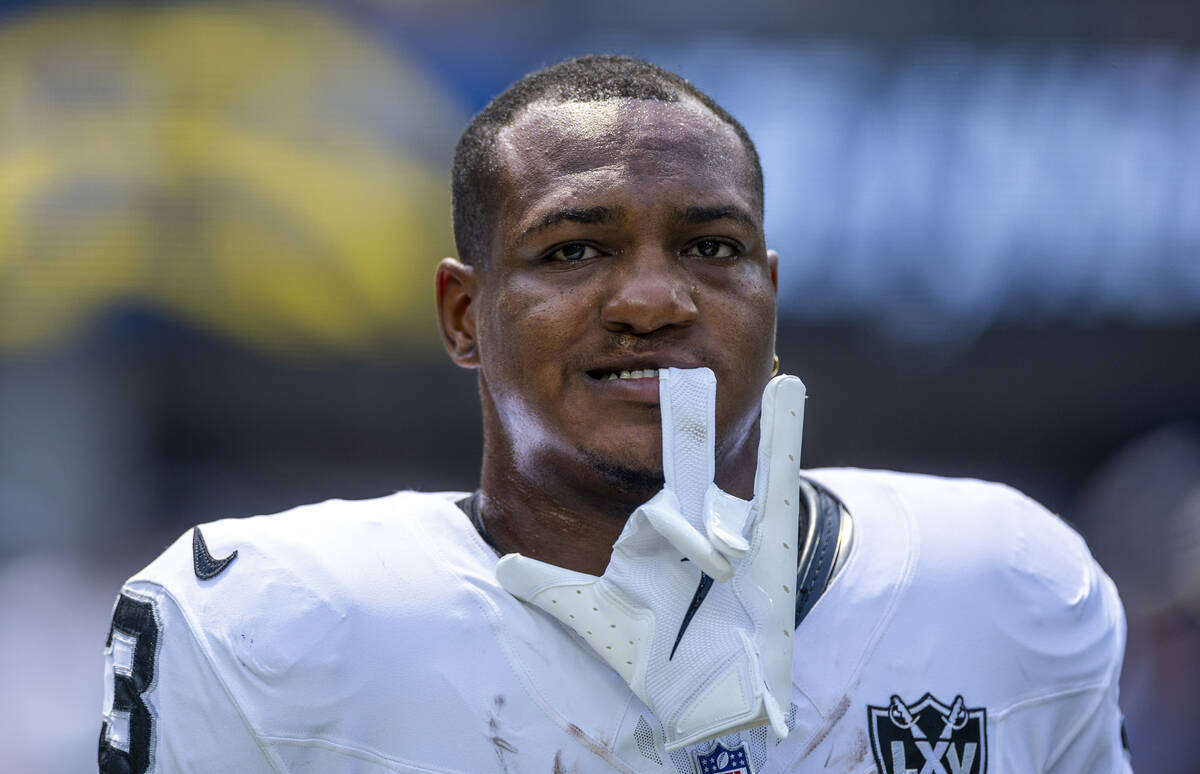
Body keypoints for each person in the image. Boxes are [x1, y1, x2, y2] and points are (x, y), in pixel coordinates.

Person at [99, 55, 1133, 773]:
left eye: (711, 249)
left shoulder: (1007, 584)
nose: (654, 301)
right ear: (465, 315)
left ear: (769, 296)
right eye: (574, 250)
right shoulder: (266, 623)